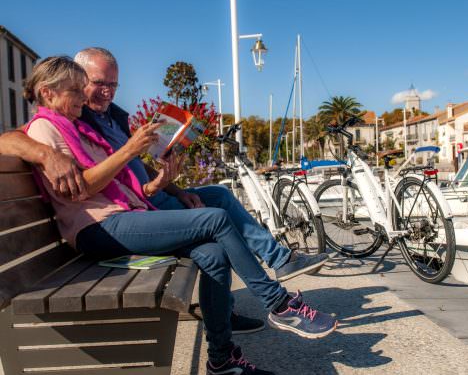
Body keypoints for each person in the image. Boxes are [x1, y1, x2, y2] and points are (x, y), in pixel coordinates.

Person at [23, 55, 336, 375]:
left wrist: (164, 181)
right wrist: (130, 150)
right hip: (98, 228)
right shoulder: (46, 129)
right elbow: (82, 190)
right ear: (48, 93)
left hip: (122, 217)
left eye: (106, 85)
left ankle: (222, 359)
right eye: (78, 89)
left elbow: (124, 186)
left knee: (212, 253)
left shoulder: (72, 127)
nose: (83, 96)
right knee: (214, 218)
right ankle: (279, 304)